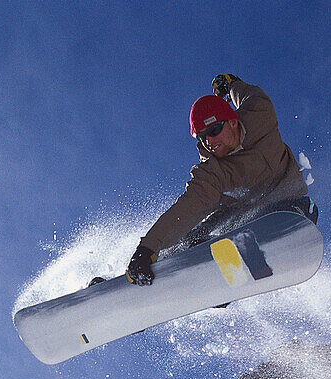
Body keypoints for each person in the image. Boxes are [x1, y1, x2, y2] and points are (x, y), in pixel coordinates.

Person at [125, 73, 317, 286]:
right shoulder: (212, 171)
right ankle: (146, 275)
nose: (209, 141)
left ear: (233, 121)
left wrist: (231, 83)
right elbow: (186, 210)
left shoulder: (260, 113)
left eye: (214, 130)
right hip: (237, 215)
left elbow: (246, 93)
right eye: (202, 137)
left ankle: (231, 259)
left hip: (287, 206)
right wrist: (146, 249)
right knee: (191, 238)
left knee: (257, 222)